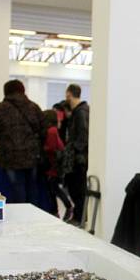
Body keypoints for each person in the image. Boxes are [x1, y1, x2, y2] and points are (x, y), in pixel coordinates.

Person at [0, 79, 46, 205]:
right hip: (31, 156)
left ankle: (21, 218)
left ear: (6, 92)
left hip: (10, 157)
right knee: (32, 188)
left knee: (17, 188)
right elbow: (43, 128)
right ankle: (33, 217)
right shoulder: (34, 107)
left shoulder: (0, 108)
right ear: (23, 90)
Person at [63, 84, 89, 224]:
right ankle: (79, 216)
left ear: (69, 94)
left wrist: (75, 150)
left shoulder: (80, 112)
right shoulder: (81, 111)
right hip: (79, 157)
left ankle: (80, 217)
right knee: (76, 188)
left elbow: (82, 135)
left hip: (78, 159)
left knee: (77, 188)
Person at [41, 109, 74, 221]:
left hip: (52, 166)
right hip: (54, 166)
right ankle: (56, 212)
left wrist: (42, 149)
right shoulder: (54, 130)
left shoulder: (51, 131)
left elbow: (51, 147)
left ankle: (68, 207)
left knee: (54, 190)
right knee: (53, 191)